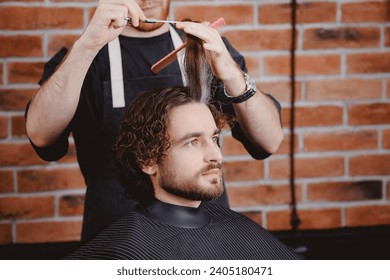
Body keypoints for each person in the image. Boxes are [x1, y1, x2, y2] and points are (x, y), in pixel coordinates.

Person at [25, 0, 284, 242]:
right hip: (116, 241)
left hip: (205, 239)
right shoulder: (84, 58)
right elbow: (41, 134)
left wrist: (232, 74)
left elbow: (269, 141)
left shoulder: (205, 49)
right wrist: (86, 46)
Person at [66, 87, 299, 260]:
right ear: (147, 160)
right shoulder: (121, 253)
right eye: (192, 142)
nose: (216, 155)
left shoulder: (243, 231)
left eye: (214, 139)